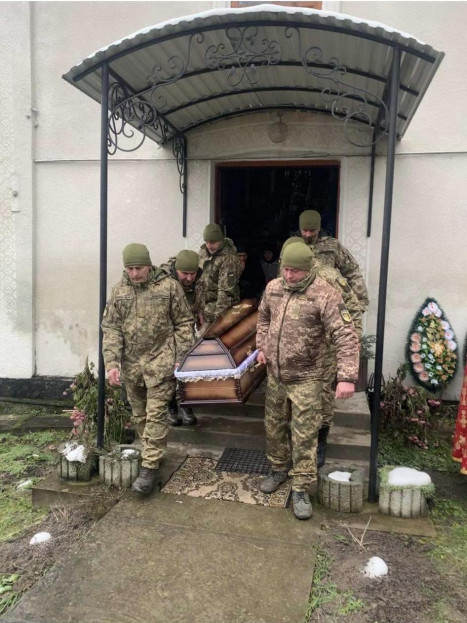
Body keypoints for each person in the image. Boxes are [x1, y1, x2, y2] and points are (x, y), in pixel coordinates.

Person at [256, 242, 359, 520]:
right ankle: (278, 469)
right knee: (274, 427)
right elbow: (263, 317)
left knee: (304, 434)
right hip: (276, 376)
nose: (289, 276)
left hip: (308, 378)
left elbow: (346, 335)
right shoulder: (273, 288)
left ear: (309, 269)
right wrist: (262, 346)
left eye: (296, 271)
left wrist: (346, 377)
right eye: (286, 270)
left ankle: (301, 487)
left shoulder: (325, 294)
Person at [102, 243, 194, 495]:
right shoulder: (119, 292)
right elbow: (111, 328)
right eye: (130, 269)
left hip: (161, 364)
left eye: (139, 268)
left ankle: (149, 468)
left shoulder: (169, 287)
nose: (134, 273)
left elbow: (184, 323)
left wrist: (181, 357)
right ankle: (154, 454)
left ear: (148, 265)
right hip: (132, 367)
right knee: (140, 417)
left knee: (155, 416)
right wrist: (111, 363)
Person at [278, 237, 363, 468]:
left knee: (323, 396)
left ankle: (320, 441)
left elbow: (352, 310)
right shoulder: (284, 277)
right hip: (295, 354)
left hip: (325, 349)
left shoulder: (328, 276)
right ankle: (295, 442)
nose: (287, 272)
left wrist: (351, 343)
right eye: (284, 265)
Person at [160, 249, 204, 427]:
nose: (189, 278)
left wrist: (199, 312)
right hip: (167, 332)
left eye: (192, 274)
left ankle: (186, 406)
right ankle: (171, 408)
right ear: (176, 269)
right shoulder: (164, 283)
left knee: (186, 369)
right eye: (185, 274)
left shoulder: (199, 279)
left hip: (186, 330)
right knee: (169, 370)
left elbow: (199, 298)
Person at [298, 210, 369, 312]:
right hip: (300, 303)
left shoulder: (332, 245)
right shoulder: (293, 245)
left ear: (319, 228)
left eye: (312, 231)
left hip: (327, 302)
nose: (308, 234)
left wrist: (360, 301)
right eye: (305, 230)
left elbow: (352, 271)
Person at [198, 224, 242, 325]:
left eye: (212, 242)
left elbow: (226, 293)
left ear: (220, 241)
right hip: (204, 303)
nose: (209, 246)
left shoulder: (229, 259)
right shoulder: (204, 251)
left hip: (218, 306)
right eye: (206, 242)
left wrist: (217, 319)